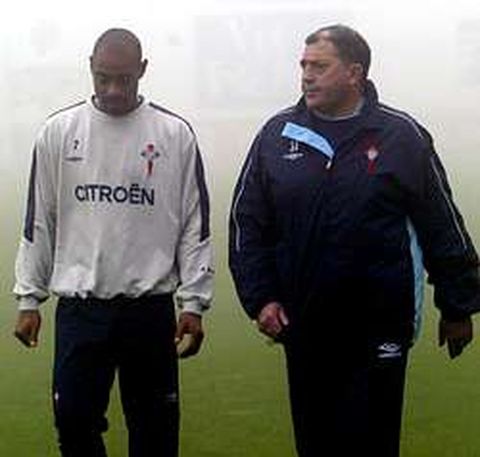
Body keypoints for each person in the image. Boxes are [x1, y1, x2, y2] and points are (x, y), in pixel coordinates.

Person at [228, 24, 480, 457]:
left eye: (319, 66)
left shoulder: (401, 135)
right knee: (317, 445)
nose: (307, 76)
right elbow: (246, 224)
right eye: (304, 66)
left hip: (380, 323)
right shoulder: (277, 134)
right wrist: (261, 298)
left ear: (354, 72)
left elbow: (441, 223)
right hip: (305, 325)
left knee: (373, 444)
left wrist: (457, 306)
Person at [13, 28, 213, 457]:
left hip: (149, 310)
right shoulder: (59, 131)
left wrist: (193, 304)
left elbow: (194, 224)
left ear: (143, 70)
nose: (114, 89)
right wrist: (29, 299)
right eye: (103, 78)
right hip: (82, 310)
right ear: (90, 67)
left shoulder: (174, 133)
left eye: (125, 79)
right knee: (73, 424)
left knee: (155, 435)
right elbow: (39, 221)